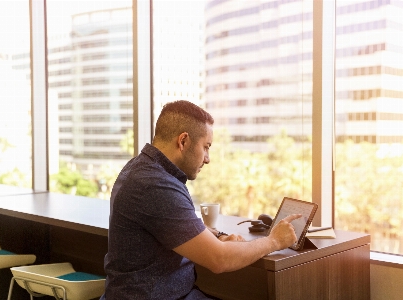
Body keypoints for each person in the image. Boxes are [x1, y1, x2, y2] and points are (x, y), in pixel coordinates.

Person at [100, 100, 301, 299]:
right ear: (183, 141)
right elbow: (219, 259)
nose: (207, 158)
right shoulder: (155, 185)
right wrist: (274, 241)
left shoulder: (141, 168)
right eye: (206, 147)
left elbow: (170, 225)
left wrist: (212, 236)